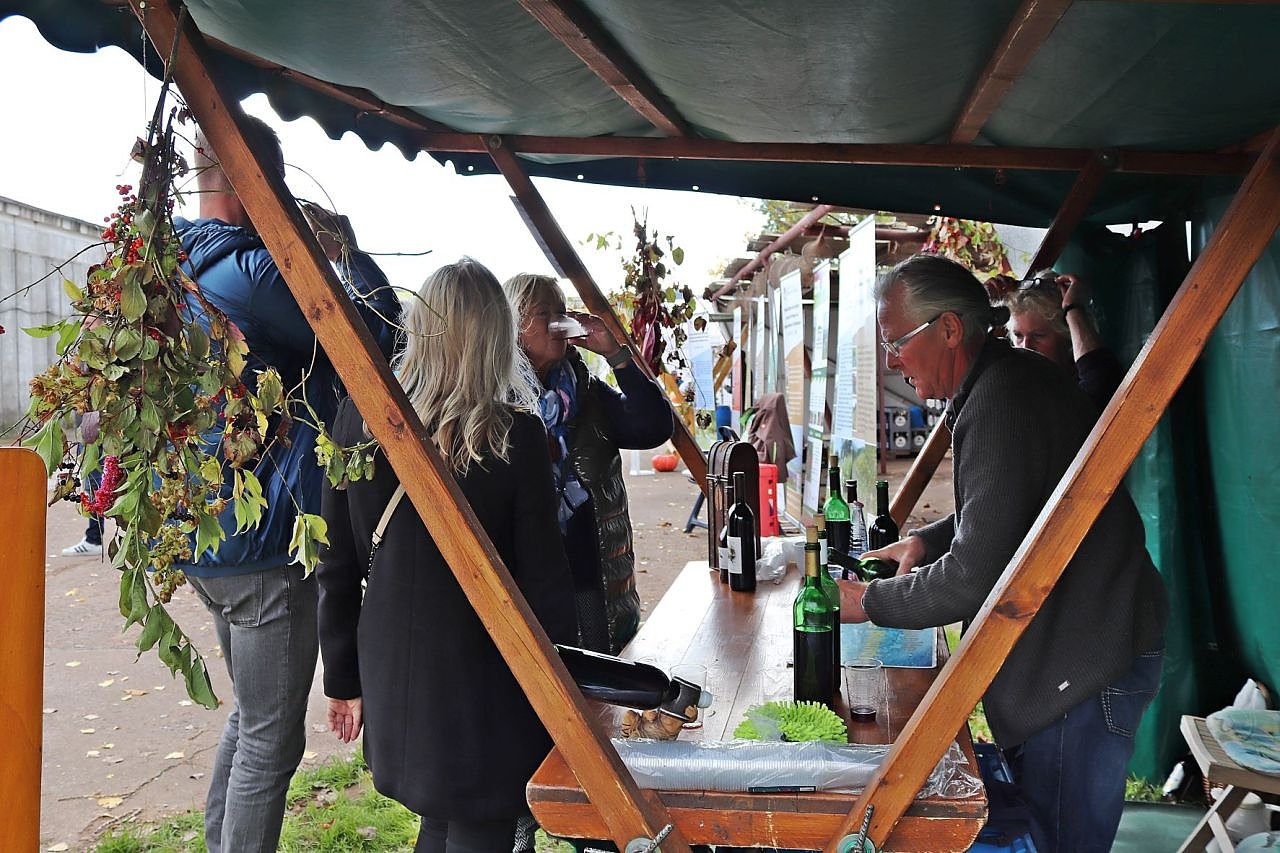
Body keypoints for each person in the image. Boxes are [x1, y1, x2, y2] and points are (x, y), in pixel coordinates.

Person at [843, 254, 1168, 853]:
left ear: (948, 329)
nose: (891, 361)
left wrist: (867, 602)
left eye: (896, 343)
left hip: (1084, 664)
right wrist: (926, 541)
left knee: (1061, 843)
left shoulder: (1002, 396)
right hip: (1079, 652)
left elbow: (972, 577)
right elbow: (1012, 511)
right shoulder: (1002, 382)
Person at [172, 116, 400, 853]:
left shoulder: (174, 269)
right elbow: (376, 336)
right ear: (249, 184)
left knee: (250, 719)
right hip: (268, 543)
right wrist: (345, 253)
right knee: (272, 742)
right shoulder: (254, 274)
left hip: (209, 537)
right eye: (273, 183)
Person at [317, 259, 578, 853]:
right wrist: (567, 680)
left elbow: (336, 566)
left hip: (394, 667)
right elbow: (544, 579)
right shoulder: (514, 434)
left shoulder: (359, 420)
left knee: (440, 817)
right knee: (478, 822)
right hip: (486, 677)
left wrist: (344, 678)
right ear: (495, 335)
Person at [502, 274, 673, 655]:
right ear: (512, 324)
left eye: (561, 311)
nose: (558, 322)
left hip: (589, 572)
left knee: (597, 673)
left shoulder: (585, 390)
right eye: (543, 313)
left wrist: (615, 354)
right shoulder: (493, 401)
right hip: (526, 581)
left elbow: (655, 426)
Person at [993, 270, 1124, 411]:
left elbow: (1100, 385)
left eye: (1038, 335)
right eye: (1018, 336)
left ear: (1068, 335)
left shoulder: (1079, 380)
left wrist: (1072, 308)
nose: (1026, 346)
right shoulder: (1014, 383)